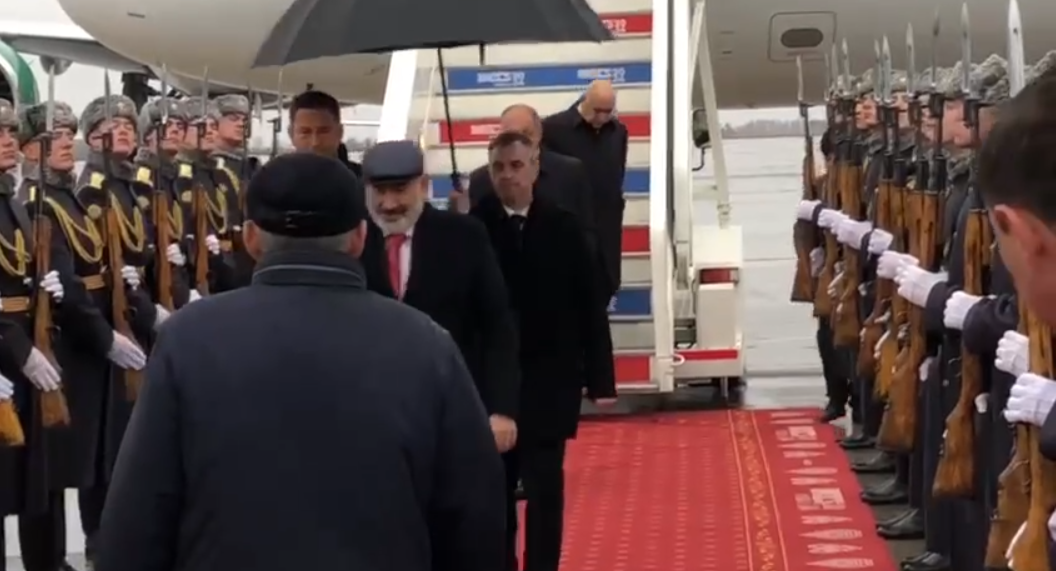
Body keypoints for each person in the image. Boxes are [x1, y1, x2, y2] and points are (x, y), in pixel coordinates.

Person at [95, 152, 506, 571]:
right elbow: (475, 518)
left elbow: (137, 517)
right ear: (360, 237)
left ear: (251, 238)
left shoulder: (188, 340)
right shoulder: (426, 345)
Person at [470, 131, 616, 571]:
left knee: (546, 491)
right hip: (492, 386)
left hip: (551, 380)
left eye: (516, 166)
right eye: (498, 167)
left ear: (535, 167)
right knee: (494, 493)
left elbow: (590, 304)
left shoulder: (565, 227)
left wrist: (601, 378)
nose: (507, 176)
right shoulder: (473, 229)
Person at [361, 140, 520, 450]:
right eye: (379, 192)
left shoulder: (464, 236)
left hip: (451, 407)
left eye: (399, 190)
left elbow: (497, 326)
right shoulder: (351, 241)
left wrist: (501, 409)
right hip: (373, 413)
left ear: (422, 186)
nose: (389, 204)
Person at [75, 94, 162, 564]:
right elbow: (98, 266)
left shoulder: (128, 184)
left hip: (135, 314)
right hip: (110, 323)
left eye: (130, 124)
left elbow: (138, 252)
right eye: (114, 126)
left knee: (132, 432)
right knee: (106, 442)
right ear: (93, 139)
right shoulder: (94, 190)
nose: (126, 130)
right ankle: (97, 535)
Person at [285, 89, 395, 298]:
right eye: (305, 132)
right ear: (291, 134)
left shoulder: (367, 184)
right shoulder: (277, 186)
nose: (314, 142)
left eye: (323, 131)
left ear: (340, 132)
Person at [542, 79, 628, 298]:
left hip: (606, 232)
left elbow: (617, 173)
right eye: (597, 111)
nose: (602, 118)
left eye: (608, 111)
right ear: (584, 100)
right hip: (570, 229)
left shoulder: (618, 132)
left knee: (606, 289)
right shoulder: (553, 128)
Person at [466, 104, 597, 243]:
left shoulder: (570, 173)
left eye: (526, 133)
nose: (519, 143)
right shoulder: (480, 180)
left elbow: (587, 232)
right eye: (511, 136)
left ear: (539, 133)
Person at [209, 94, 258, 287]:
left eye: (244, 120)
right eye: (233, 118)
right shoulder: (206, 167)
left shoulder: (251, 167)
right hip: (218, 257)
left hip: (248, 257)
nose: (240, 124)